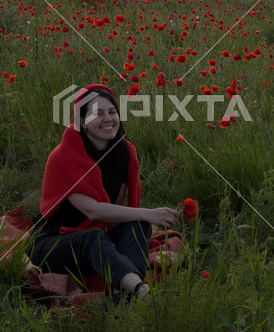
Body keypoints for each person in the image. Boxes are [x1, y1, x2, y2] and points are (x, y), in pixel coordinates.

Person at [28, 83, 180, 300]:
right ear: (82, 121)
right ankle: (140, 292)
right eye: (98, 114)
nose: (108, 119)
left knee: (138, 223)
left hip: (94, 241)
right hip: (50, 244)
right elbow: (93, 211)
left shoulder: (124, 153)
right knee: (95, 236)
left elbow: (114, 215)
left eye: (112, 112)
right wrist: (148, 212)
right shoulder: (64, 157)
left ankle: (129, 292)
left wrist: (139, 222)